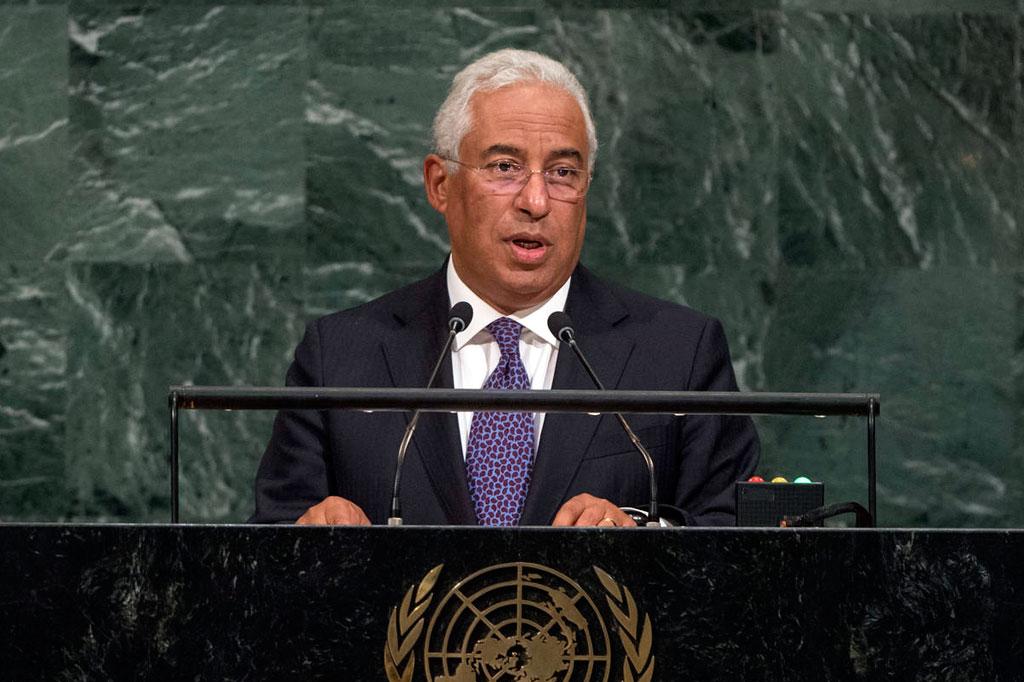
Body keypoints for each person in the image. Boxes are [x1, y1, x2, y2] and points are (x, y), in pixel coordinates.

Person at [250, 49, 759, 527]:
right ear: (440, 184)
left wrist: (643, 534)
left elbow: (734, 536)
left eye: (563, 172)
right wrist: (307, 539)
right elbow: (264, 546)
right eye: (505, 167)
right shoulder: (340, 357)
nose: (536, 201)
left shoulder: (679, 354)